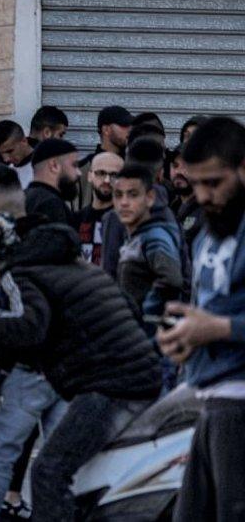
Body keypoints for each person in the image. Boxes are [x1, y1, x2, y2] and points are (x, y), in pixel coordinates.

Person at [0, 218, 162, 522]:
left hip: (113, 387)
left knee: (48, 471)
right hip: (131, 377)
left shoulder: (18, 273)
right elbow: (125, 310)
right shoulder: (73, 264)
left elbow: (30, 328)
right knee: (74, 468)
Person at [156, 116, 245, 521]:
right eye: (196, 184)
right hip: (208, 398)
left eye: (214, 183)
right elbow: (209, 310)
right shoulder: (208, 232)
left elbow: (220, 322)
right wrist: (184, 338)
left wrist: (217, 328)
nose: (204, 195)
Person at [0, 167, 67, 522]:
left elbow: (24, 318)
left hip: (33, 367)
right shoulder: (51, 233)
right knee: (58, 459)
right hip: (67, 364)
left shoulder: (11, 249)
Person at [101, 137, 183, 280]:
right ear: (160, 173)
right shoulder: (171, 215)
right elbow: (184, 273)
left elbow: (109, 273)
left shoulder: (117, 217)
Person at [113, 164, 184, 321]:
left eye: (133, 195)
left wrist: (146, 314)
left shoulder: (154, 237)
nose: (124, 202)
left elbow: (171, 279)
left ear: (150, 198)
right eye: (118, 195)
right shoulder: (137, 236)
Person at [76, 152, 123, 266]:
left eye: (114, 175)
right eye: (101, 173)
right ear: (89, 176)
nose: (107, 180)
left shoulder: (127, 220)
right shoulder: (75, 219)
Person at [24, 139, 80, 225]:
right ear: (54, 166)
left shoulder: (21, 198)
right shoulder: (51, 204)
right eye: (74, 165)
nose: (79, 173)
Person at [169, 145, 204, 251]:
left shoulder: (207, 210)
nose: (178, 172)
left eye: (186, 166)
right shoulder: (170, 207)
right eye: (175, 166)